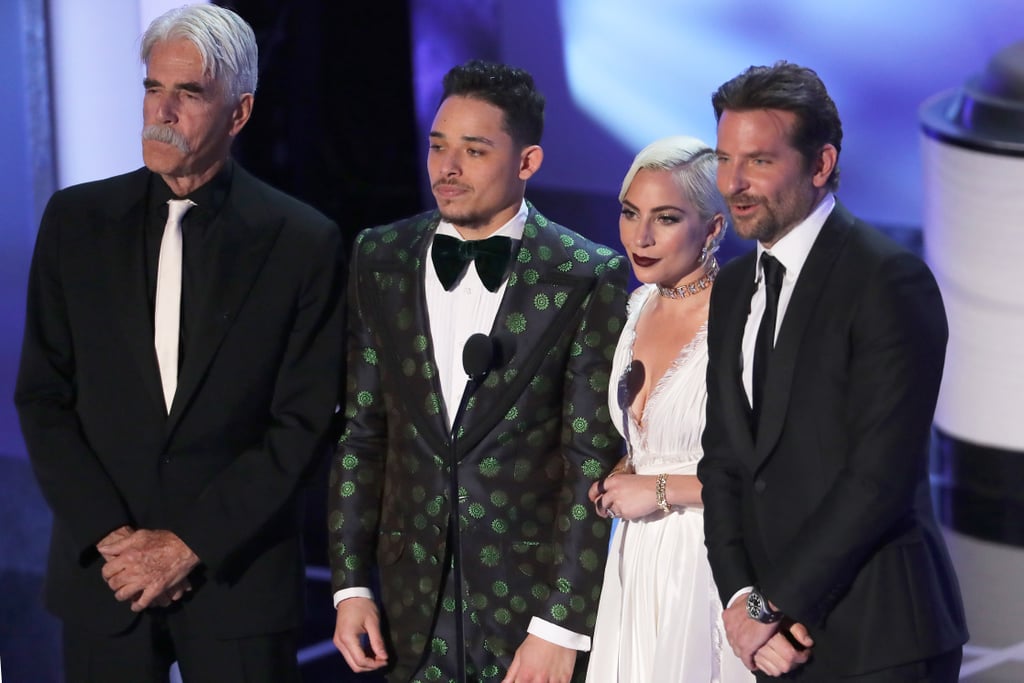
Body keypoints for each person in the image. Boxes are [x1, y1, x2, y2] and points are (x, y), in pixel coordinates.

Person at [14, 5, 344, 681]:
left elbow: (304, 422)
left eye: (188, 93)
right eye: (151, 88)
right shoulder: (75, 221)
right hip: (104, 578)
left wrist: (189, 544)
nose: (161, 110)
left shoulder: (302, 242)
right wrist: (116, 541)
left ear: (239, 112)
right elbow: (44, 397)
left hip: (237, 582)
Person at [327, 60, 628, 682]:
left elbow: (589, 461)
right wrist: (350, 585)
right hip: (408, 607)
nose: (448, 167)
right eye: (438, 146)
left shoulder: (584, 273)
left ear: (527, 162)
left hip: (528, 611)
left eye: (473, 149)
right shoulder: (379, 256)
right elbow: (362, 432)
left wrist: (560, 624)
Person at [698, 61, 968, 680]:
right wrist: (741, 602)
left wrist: (769, 606)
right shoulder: (735, 286)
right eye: (724, 159)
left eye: (760, 162)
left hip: (879, 640)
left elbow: (878, 479)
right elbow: (723, 461)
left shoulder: (886, 280)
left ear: (820, 165)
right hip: (775, 646)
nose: (734, 183)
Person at [584, 136, 753, 683]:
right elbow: (649, 440)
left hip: (709, 559)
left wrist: (658, 490)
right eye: (630, 213)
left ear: (713, 229)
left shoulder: (741, 317)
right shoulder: (636, 305)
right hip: (636, 556)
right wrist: (624, 472)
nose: (641, 236)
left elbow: (769, 474)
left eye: (666, 218)